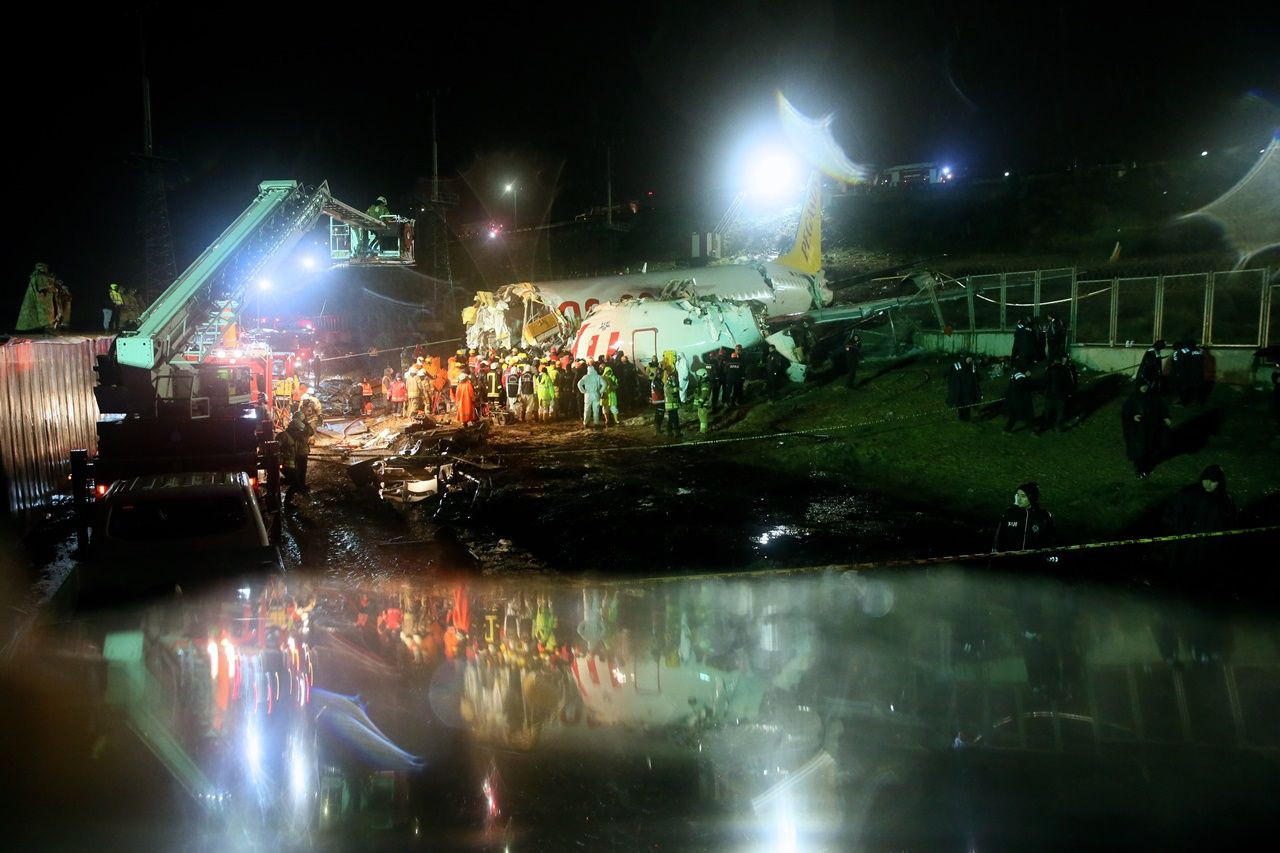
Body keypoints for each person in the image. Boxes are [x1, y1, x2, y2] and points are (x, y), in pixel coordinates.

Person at [1121, 381, 1171, 478]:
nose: (1144, 388)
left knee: (1150, 448)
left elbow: (1161, 407)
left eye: (1145, 386)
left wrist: (1166, 417)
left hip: (1151, 428)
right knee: (1140, 449)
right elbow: (1125, 412)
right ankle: (1140, 470)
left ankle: (1145, 467)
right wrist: (1133, 417)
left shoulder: (1153, 397)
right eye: (1142, 386)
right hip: (1138, 430)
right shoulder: (1133, 398)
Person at [993, 482, 1055, 553]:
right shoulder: (1009, 514)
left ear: (1031, 497)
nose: (1019, 499)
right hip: (1009, 560)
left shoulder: (1044, 516)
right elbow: (999, 538)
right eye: (1018, 495)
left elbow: (1049, 540)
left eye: (1023, 496)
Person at [277, 412, 315, 503]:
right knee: (295, 484)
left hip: (292, 465)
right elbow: (275, 450)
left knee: (295, 483)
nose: (299, 433)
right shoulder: (283, 436)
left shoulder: (294, 438)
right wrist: (280, 460)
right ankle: (287, 504)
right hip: (285, 465)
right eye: (298, 431)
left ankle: (288, 501)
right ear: (294, 429)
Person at [1038, 357, 1077, 434]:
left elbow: (1045, 380)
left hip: (1051, 394)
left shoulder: (1050, 369)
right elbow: (1069, 383)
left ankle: (1044, 426)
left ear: (1055, 361)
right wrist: (1070, 392)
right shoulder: (1065, 369)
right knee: (1060, 412)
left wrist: (1041, 390)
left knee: (1047, 411)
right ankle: (1058, 427)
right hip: (1061, 394)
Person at [16, 262, 56, 332]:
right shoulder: (40, 276)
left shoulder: (35, 276)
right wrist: (54, 289)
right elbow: (43, 287)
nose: (47, 269)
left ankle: (46, 330)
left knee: (39, 314)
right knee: (45, 314)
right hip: (42, 299)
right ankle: (47, 330)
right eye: (46, 268)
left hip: (37, 298)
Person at [946, 355, 981, 421]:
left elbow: (976, 376)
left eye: (970, 359)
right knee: (960, 403)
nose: (969, 360)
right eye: (968, 358)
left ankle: (967, 417)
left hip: (969, 388)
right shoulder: (958, 366)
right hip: (960, 388)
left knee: (968, 403)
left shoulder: (972, 366)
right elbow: (951, 374)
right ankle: (961, 417)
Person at [577, 362, 604, 427]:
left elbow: (579, 384)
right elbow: (604, 384)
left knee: (587, 409)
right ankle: (596, 422)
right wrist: (600, 391)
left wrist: (583, 391)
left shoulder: (585, 377)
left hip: (588, 394)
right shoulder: (598, 377)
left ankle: (586, 422)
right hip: (596, 394)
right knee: (596, 409)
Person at [663, 368, 682, 438]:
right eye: (673, 378)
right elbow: (669, 391)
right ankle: (677, 433)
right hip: (670, 405)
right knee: (675, 419)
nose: (675, 379)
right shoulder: (667, 384)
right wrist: (676, 389)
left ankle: (669, 430)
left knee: (671, 419)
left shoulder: (672, 384)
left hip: (673, 405)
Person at [648, 361, 666, 434]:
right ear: (659, 374)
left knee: (658, 414)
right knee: (659, 415)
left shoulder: (656, 380)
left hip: (658, 400)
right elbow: (659, 390)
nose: (662, 375)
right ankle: (657, 430)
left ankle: (657, 429)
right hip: (659, 400)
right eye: (661, 373)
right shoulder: (657, 381)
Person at [692, 367, 712, 434]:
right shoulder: (703, 383)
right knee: (701, 417)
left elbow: (704, 394)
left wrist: (700, 401)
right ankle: (702, 429)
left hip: (703, 404)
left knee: (703, 418)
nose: (697, 377)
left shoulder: (705, 384)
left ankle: (703, 431)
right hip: (701, 404)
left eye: (698, 376)